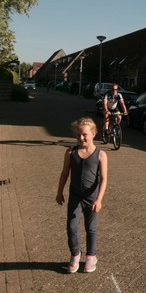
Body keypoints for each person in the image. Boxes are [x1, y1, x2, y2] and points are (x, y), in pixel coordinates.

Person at [55, 117, 108, 274]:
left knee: (90, 228)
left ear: (93, 134)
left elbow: (104, 179)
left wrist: (99, 200)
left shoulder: (100, 155)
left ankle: (91, 256)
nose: (81, 138)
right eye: (78, 135)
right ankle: (75, 254)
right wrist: (59, 192)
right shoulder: (70, 152)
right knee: (71, 226)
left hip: (91, 198)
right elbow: (65, 173)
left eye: (85, 134)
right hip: (75, 197)